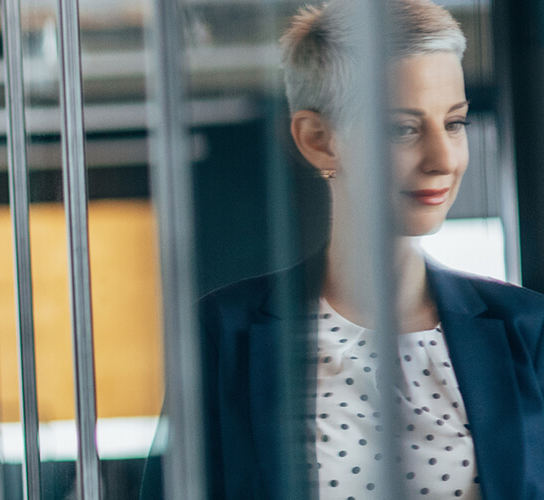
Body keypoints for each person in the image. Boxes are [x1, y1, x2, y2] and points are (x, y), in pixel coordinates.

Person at [176, 0, 544, 497]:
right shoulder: (227, 335)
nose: (443, 159)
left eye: (455, 123)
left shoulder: (526, 327)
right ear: (318, 140)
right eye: (403, 128)